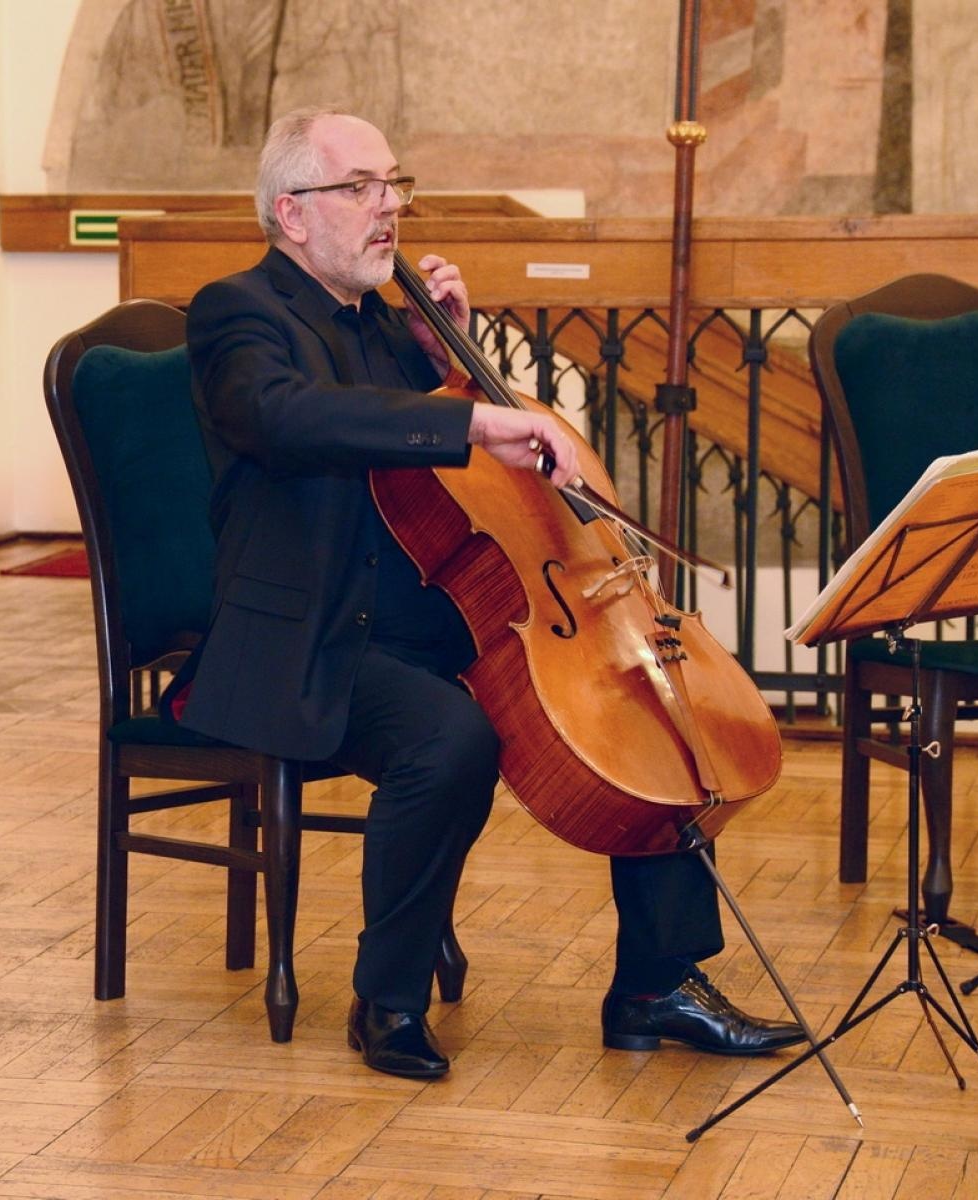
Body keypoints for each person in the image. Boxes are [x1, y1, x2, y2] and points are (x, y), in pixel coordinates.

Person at [177, 105, 807, 1079]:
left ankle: (656, 985)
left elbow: (441, 463)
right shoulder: (239, 313)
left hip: (446, 625)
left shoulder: (383, 324)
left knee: (638, 711)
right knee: (448, 739)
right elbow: (284, 417)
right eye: (362, 188)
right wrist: (467, 417)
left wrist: (452, 353)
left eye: (395, 185)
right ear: (293, 214)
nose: (389, 207)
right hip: (313, 643)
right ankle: (386, 1001)